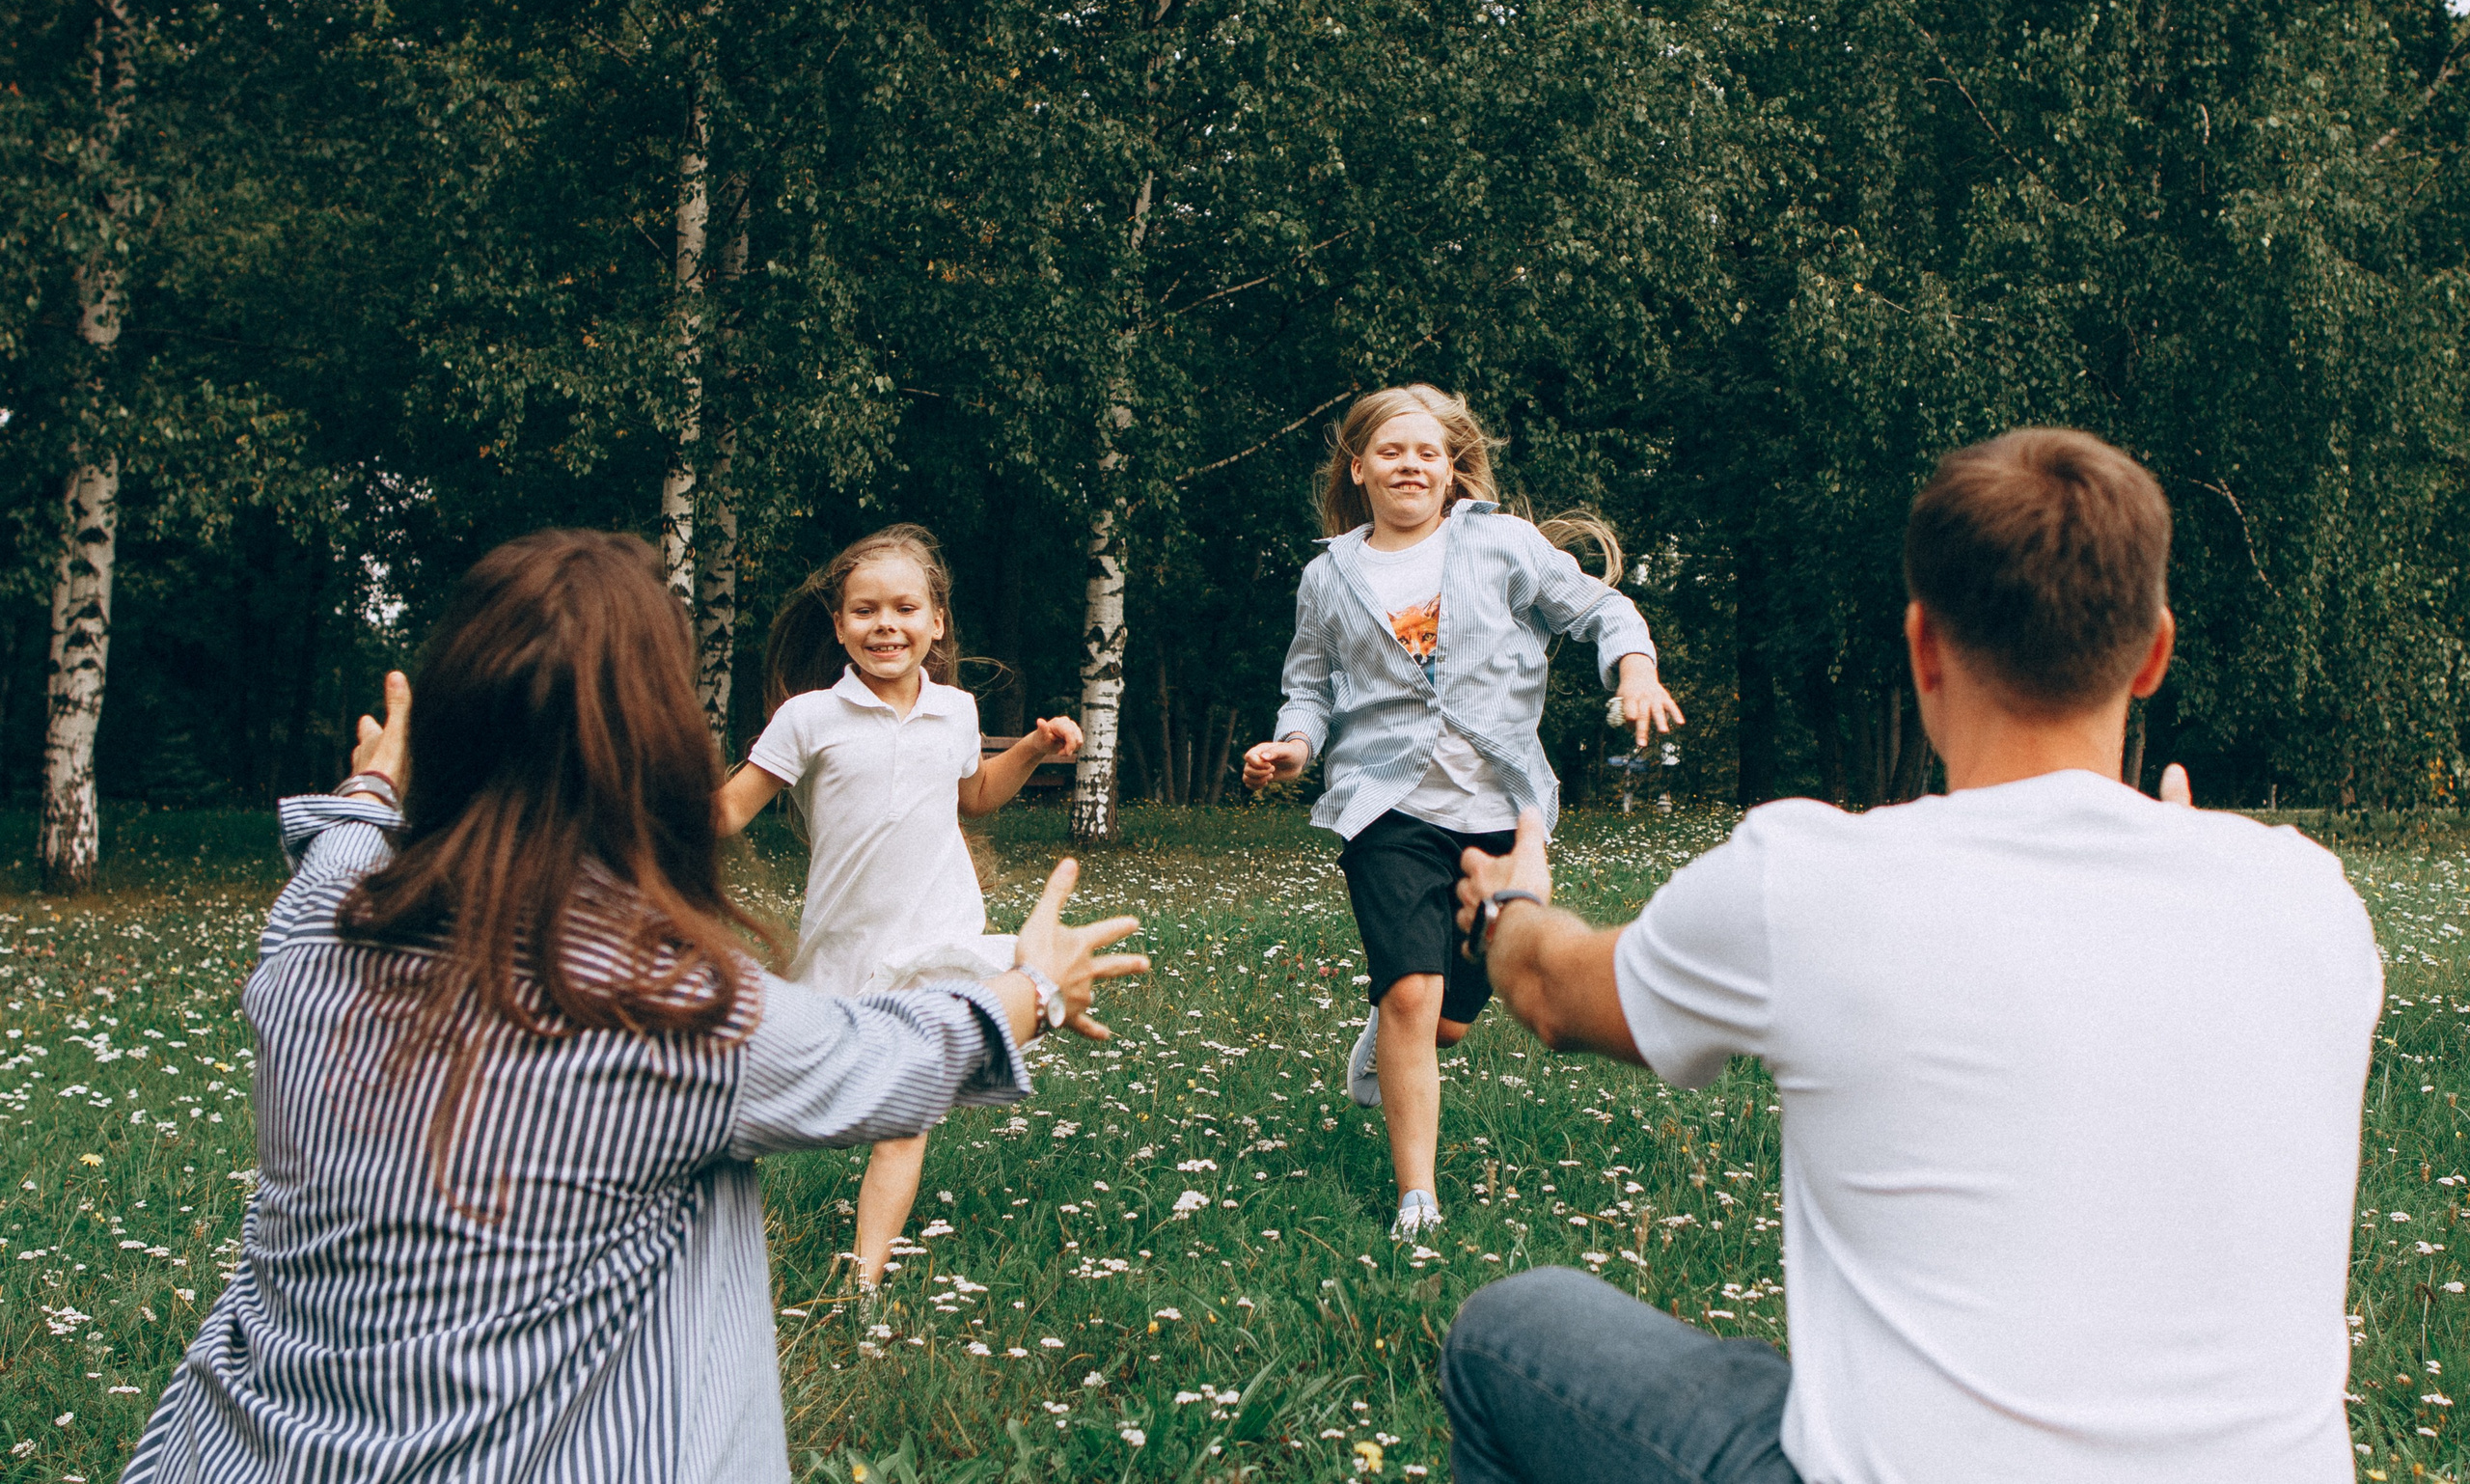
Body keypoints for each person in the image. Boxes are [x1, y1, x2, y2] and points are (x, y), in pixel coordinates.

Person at [1437, 429, 2381, 1483]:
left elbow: (1553, 994)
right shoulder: (2310, 900)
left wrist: (1509, 907)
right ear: (2153, 652)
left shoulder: (1811, 883)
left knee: (1508, 1333)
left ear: (1922, 645)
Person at [122, 530, 1142, 1484]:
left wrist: (374, 787)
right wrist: (1035, 984)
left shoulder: (311, 933)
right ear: (656, 742)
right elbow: (894, 1065)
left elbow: (344, 842)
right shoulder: (668, 1014)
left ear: (447, 721)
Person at [1241, 385, 1681, 1239]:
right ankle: (1418, 1198)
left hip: (1502, 812)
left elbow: (1601, 609)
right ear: (1358, 466)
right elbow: (1309, 686)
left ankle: (1394, 1027)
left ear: (1451, 470)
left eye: (1430, 452)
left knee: (1443, 1020)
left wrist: (1633, 669)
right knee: (1413, 990)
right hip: (1387, 807)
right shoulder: (1328, 575)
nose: (1412, 463)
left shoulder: (1501, 544)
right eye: (1394, 451)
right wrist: (1293, 746)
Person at [712, 524, 1082, 1295]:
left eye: (906, 608)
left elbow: (973, 795)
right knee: (785, 1099)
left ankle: (863, 1284)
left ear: (936, 621)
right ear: (841, 626)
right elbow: (730, 810)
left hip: (936, 940)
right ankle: (714, 1233)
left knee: (903, 1115)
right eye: (865, 611)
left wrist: (1033, 749)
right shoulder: (809, 717)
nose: (886, 624)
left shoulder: (954, 710)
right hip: (843, 946)